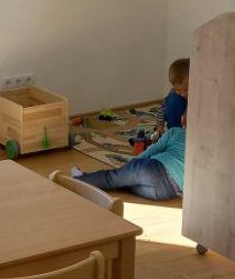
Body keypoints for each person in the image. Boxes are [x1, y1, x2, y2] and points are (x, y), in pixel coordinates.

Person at [70, 59, 188, 201]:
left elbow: (152, 150)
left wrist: (132, 165)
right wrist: (159, 126)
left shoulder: (174, 133)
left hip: (150, 171)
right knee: (125, 184)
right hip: (165, 192)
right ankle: (117, 179)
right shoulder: (201, 146)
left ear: (183, 121)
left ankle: (80, 179)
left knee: (113, 177)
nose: (182, 93)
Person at [164, 58, 189, 128]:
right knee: (173, 101)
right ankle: (174, 130)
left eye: (186, 89)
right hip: (176, 122)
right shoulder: (173, 92)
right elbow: (161, 109)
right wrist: (159, 126)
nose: (183, 94)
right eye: (178, 90)